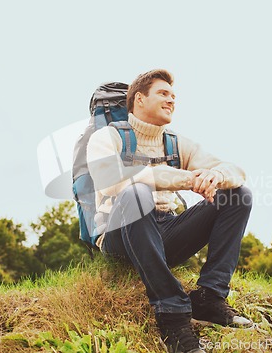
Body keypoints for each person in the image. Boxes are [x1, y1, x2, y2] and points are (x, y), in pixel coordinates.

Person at [86, 69, 252, 353]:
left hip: (165, 233)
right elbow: (110, 180)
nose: (171, 101)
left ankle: (209, 298)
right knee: (136, 192)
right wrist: (186, 179)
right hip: (120, 236)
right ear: (139, 99)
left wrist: (215, 178)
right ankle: (172, 317)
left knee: (239, 195)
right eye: (163, 94)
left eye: (173, 96)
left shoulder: (176, 143)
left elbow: (235, 170)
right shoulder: (106, 138)